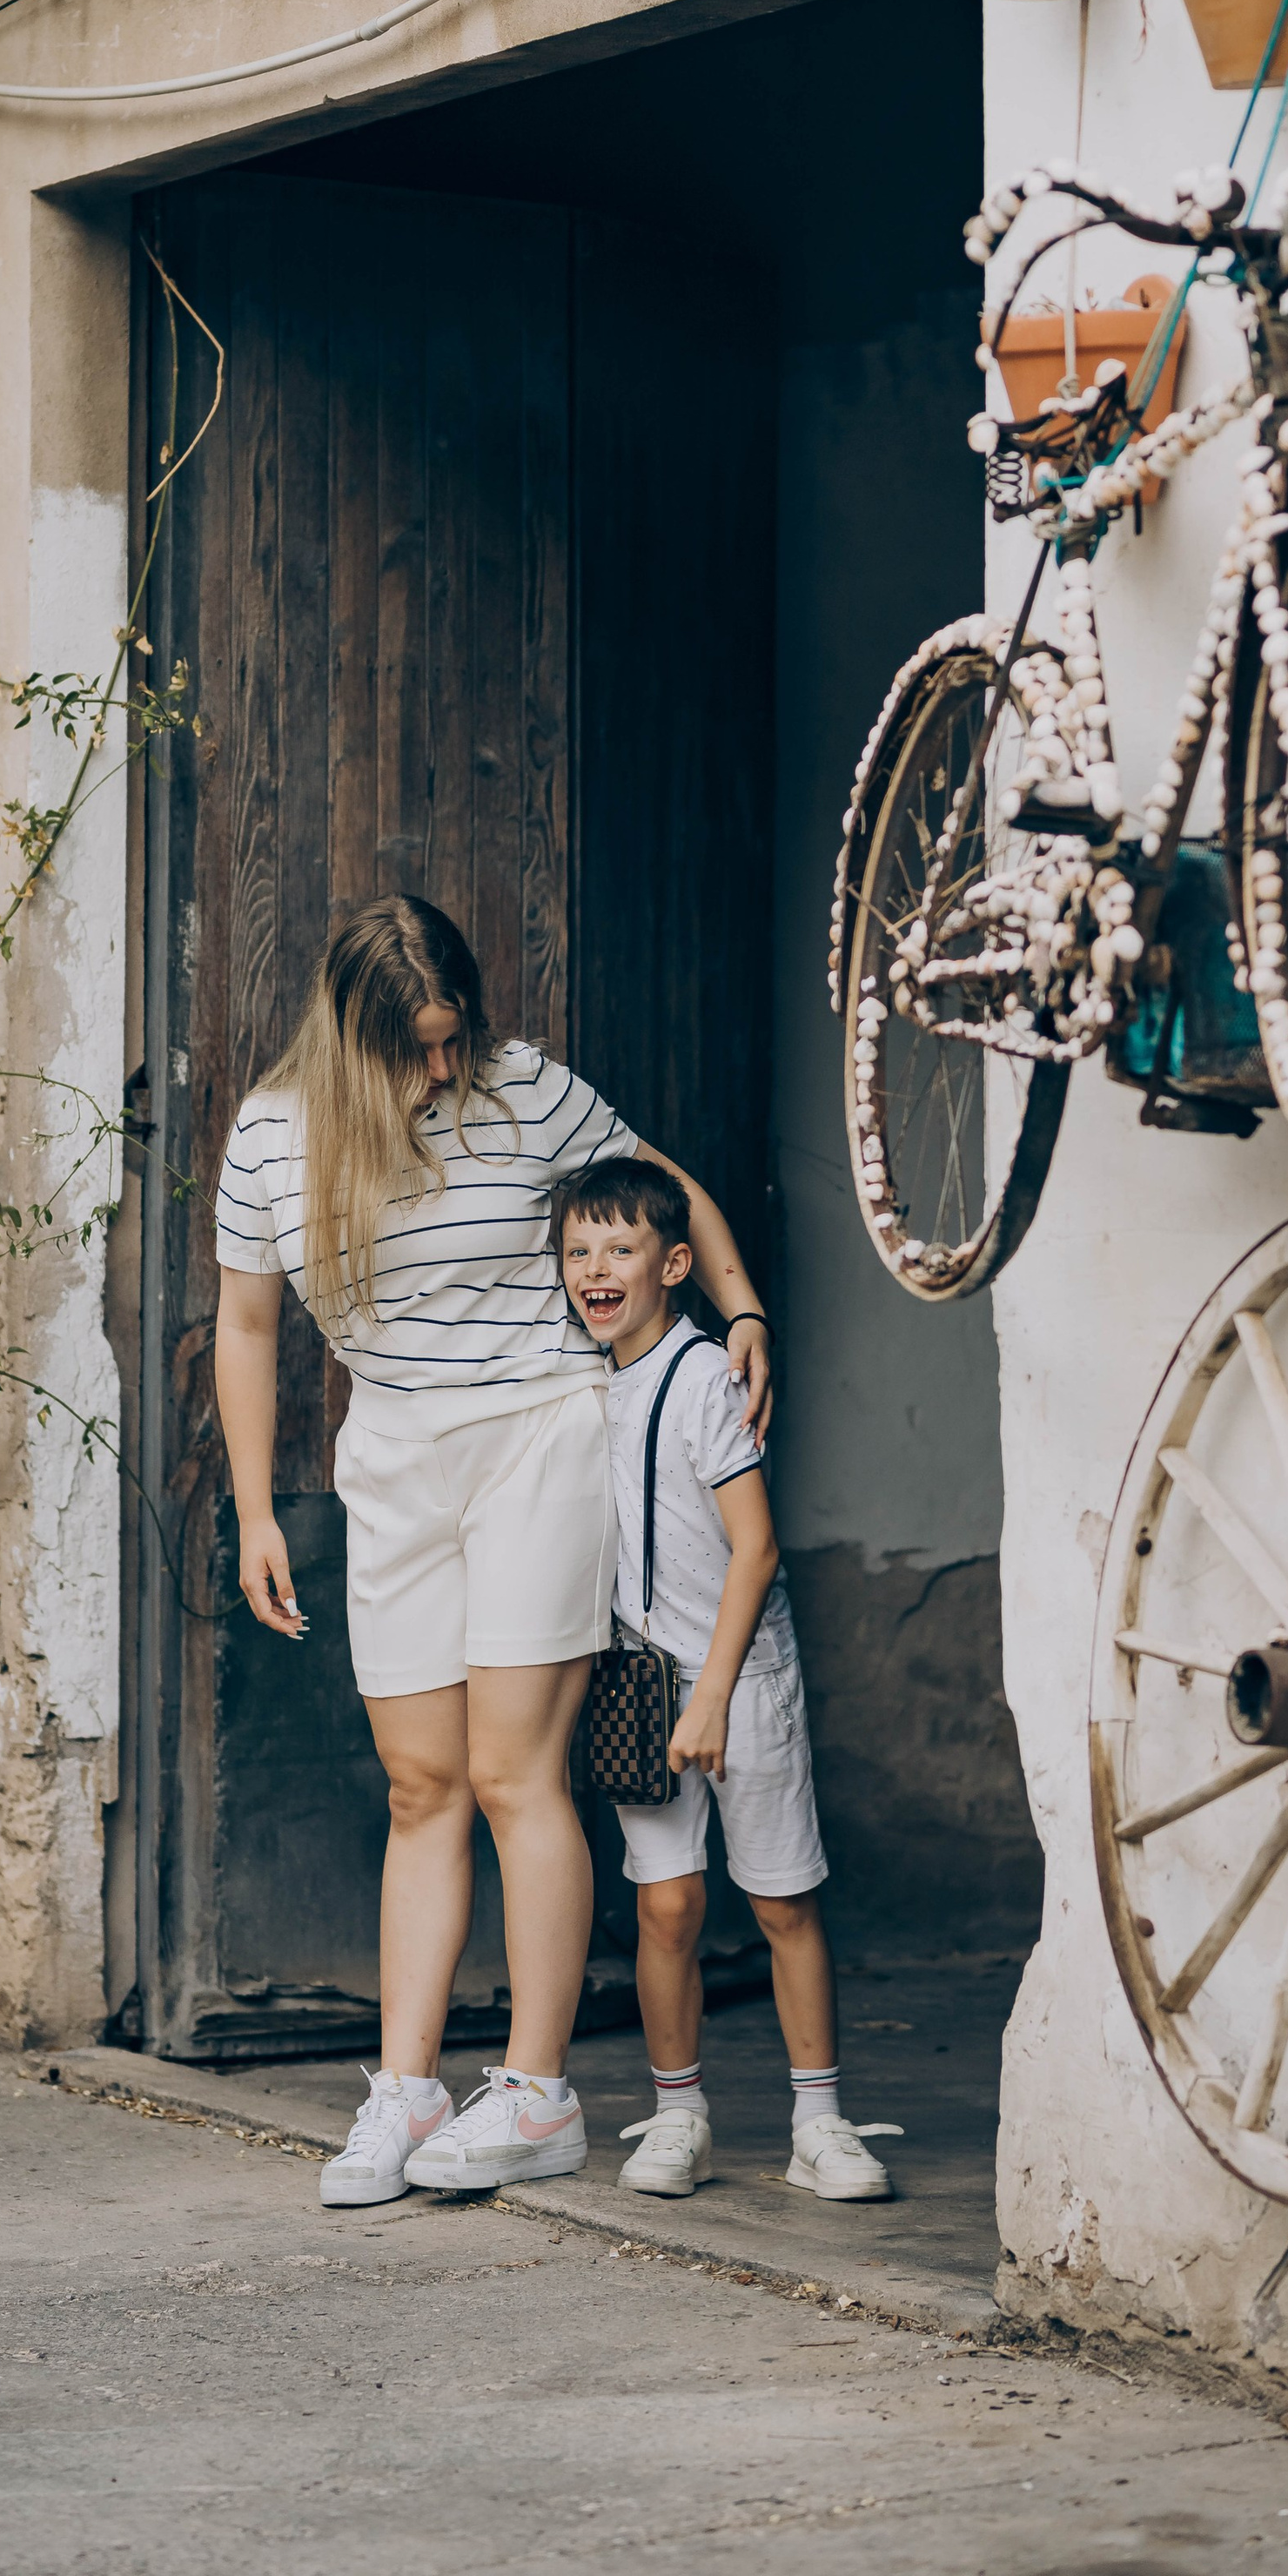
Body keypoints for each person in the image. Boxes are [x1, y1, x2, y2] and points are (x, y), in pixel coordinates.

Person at [212, 896, 772, 2209]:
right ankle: (405, 2092)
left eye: (457, 1039)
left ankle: (534, 2092)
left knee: (514, 1773)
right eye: (418, 1048)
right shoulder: (272, 1138)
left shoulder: (528, 1095)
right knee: (421, 1786)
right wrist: (252, 1510)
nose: (447, 1069)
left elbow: (664, 1186)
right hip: (396, 1460)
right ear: (354, 1042)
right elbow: (246, 1328)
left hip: (537, 1435)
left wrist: (736, 1305)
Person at [557, 1156, 899, 2203]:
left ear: (673, 1265)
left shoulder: (704, 1376)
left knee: (781, 1899)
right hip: (637, 1689)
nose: (594, 1270)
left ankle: (818, 2122)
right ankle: (678, 2115)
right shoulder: (578, 1378)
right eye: (576, 1251)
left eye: (619, 1249)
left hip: (738, 1680)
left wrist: (710, 1691)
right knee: (664, 1908)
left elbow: (755, 1551)